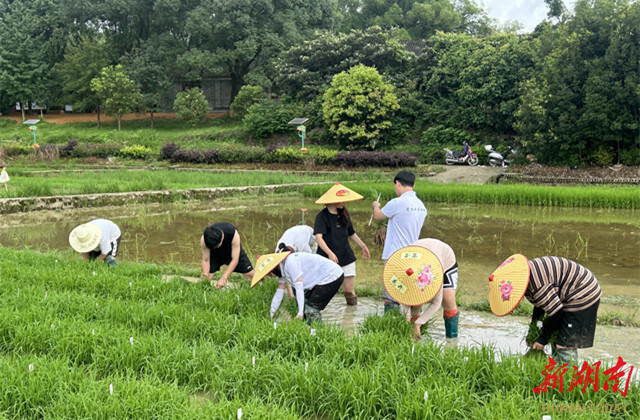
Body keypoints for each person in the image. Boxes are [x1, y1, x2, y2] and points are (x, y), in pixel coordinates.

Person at [488, 255, 601, 364]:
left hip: (583, 292)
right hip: (570, 289)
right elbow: (540, 305)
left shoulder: (538, 286)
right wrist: (532, 331)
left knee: (564, 344)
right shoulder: (525, 276)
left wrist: (542, 339)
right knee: (556, 335)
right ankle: (557, 369)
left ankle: (569, 374)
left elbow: (556, 313)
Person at [372, 170, 427, 312]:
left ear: (397, 183)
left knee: (392, 290)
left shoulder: (397, 202)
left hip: (395, 256)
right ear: (413, 185)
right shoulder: (421, 206)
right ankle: (414, 320)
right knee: (410, 288)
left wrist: (375, 206)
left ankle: (391, 320)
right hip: (412, 255)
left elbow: (377, 216)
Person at [252, 244, 345, 324]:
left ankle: (318, 333)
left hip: (332, 275)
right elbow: (278, 294)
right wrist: (271, 314)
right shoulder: (283, 268)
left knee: (311, 309)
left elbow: (299, 288)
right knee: (305, 305)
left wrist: (300, 313)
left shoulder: (290, 262)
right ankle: (309, 331)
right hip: (321, 279)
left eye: (269, 274)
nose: (270, 276)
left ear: (273, 268)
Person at [314, 183, 370, 305]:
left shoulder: (344, 214)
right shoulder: (321, 216)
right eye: (340, 200)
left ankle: (351, 312)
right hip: (327, 258)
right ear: (332, 200)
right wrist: (330, 253)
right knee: (324, 289)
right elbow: (318, 238)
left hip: (345, 255)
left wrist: (363, 246)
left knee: (349, 291)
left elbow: (351, 233)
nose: (343, 202)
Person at [408, 239, 460, 338]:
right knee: (414, 301)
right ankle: (413, 332)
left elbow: (436, 302)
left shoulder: (434, 274)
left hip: (445, 259)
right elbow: (403, 302)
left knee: (447, 300)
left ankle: (451, 339)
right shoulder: (405, 274)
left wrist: (418, 324)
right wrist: (407, 321)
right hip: (417, 258)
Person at [201, 222, 255, 288]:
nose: (217, 247)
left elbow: (235, 259)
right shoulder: (205, 239)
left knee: (250, 274)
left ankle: (262, 282)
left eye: (217, 245)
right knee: (206, 277)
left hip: (232, 251)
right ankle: (202, 289)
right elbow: (205, 260)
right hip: (214, 255)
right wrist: (205, 275)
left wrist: (224, 278)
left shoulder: (232, 232)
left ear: (222, 237)